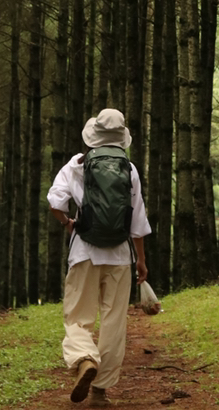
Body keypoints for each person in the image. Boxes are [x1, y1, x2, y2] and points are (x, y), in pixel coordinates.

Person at [47, 108, 151, 407]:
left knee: (78, 317)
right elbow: (137, 222)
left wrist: (68, 223)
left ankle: (84, 357)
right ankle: (100, 392)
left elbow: (56, 201)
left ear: (93, 135)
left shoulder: (77, 164)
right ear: (121, 138)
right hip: (120, 255)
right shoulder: (129, 170)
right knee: (114, 322)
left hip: (85, 252)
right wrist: (141, 261)